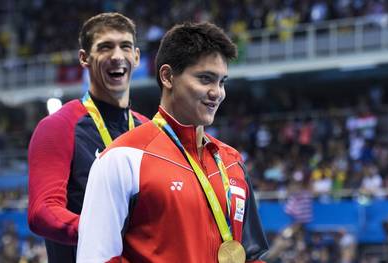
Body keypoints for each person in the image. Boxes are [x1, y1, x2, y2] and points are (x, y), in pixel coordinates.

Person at [77, 21, 268, 262]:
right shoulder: (122, 159)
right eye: (205, 79)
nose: (217, 92)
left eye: (222, 82)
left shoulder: (232, 162)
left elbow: (251, 256)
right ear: (167, 77)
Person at [27, 12, 148, 263]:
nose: (117, 56)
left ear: (136, 57)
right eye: (105, 47)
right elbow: (43, 211)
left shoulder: (150, 132)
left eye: (125, 46)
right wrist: (106, 235)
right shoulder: (58, 127)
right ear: (84, 58)